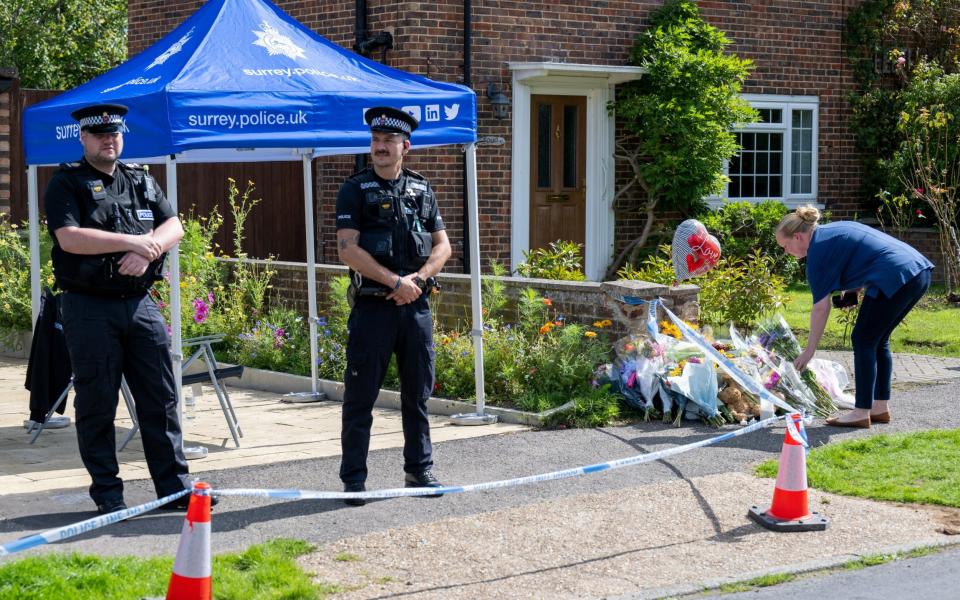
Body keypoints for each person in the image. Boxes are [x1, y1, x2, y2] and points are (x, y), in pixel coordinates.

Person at [44, 103, 194, 514]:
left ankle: (174, 489)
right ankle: (108, 493)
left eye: (114, 134)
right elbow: (70, 238)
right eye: (99, 134)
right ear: (83, 138)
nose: (108, 140)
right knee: (97, 401)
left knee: (160, 396)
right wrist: (132, 243)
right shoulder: (66, 183)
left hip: (139, 302)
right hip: (88, 305)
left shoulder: (140, 180)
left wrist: (150, 251)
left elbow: (174, 225)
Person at [335, 106, 452, 505]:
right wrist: (394, 281)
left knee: (417, 393)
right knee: (360, 395)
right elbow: (347, 248)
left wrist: (416, 281)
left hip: (415, 306)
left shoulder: (422, 189)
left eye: (388, 141)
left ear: (406, 146)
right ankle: (353, 478)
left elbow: (443, 246)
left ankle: (419, 470)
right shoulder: (355, 189)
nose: (380, 146)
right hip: (374, 308)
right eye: (375, 140)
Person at [775, 205, 933, 428]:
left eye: (785, 245)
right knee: (878, 340)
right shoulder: (832, 231)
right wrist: (854, 289)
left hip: (895, 276)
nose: (786, 251)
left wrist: (809, 350)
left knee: (863, 339)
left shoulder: (817, 254)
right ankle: (879, 408)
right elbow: (863, 254)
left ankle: (860, 412)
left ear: (798, 237)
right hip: (918, 272)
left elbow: (821, 308)